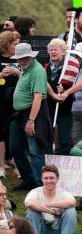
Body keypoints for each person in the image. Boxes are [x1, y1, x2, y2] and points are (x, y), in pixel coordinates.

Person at [9, 41, 51, 190]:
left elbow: (38, 96)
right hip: (20, 114)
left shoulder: (37, 70)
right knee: (15, 148)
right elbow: (44, 85)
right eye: (19, 58)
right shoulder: (26, 68)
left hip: (32, 114)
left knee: (35, 151)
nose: (22, 60)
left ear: (31, 56)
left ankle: (40, 185)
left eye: (25, 57)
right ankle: (29, 180)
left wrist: (31, 120)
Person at [24, 164, 77, 234]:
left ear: (57, 179)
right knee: (32, 211)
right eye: (46, 178)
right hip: (41, 231)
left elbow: (72, 202)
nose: (49, 181)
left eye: (52, 178)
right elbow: (30, 203)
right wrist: (52, 211)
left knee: (71, 211)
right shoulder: (36, 192)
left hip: (58, 230)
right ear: (42, 179)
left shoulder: (63, 193)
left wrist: (45, 205)